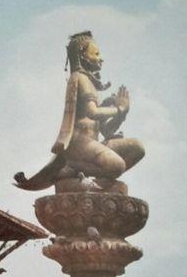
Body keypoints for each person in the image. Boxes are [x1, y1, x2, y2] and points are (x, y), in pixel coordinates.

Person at [14, 31, 145, 192]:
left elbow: (106, 130)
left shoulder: (89, 82)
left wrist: (123, 114)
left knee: (137, 147)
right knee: (117, 166)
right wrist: (119, 109)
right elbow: (92, 112)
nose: (101, 58)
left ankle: (90, 175)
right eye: (96, 53)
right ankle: (72, 166)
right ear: (83, 56)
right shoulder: (79, 78)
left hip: (92, 144)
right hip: (78, 143)